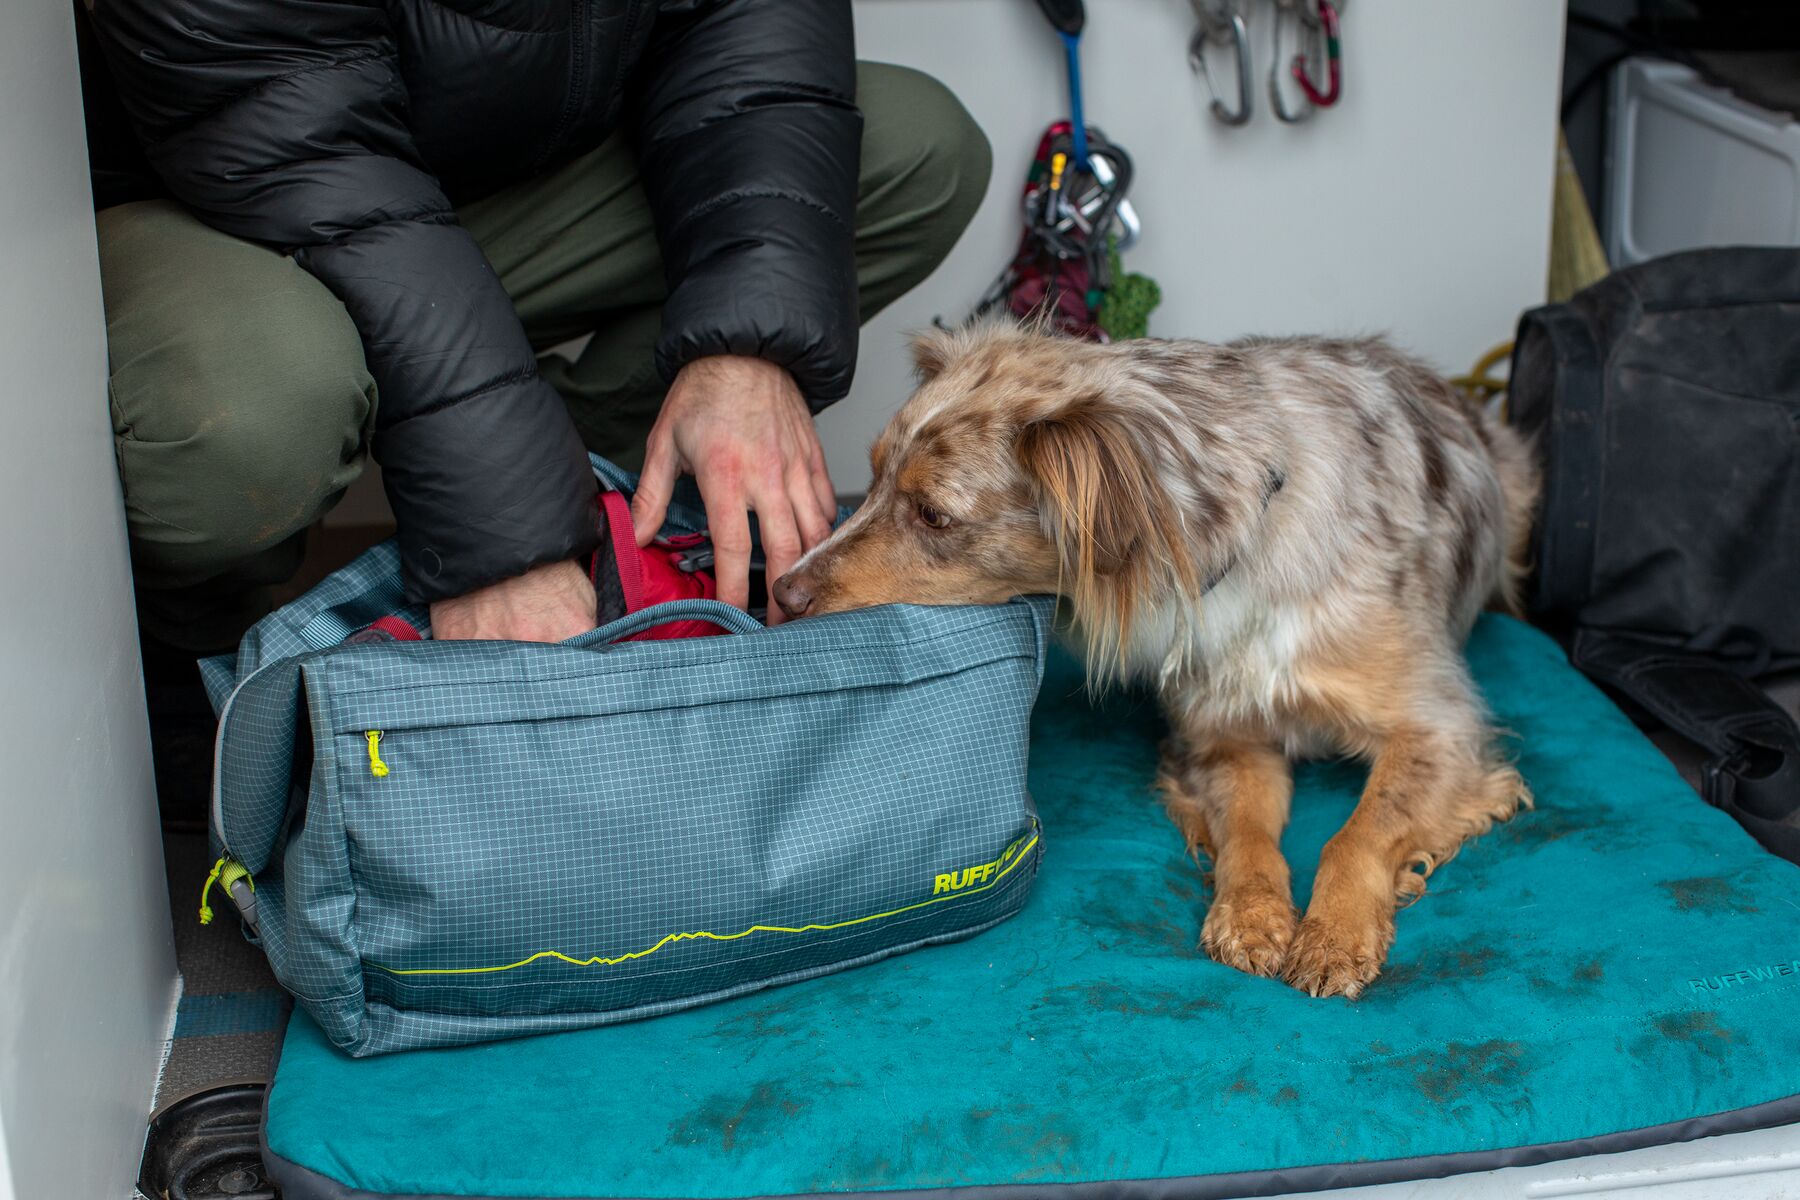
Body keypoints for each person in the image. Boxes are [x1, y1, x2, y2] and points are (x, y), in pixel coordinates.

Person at [79, 0, 991, 655]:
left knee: (912, 148)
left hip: (496, 189)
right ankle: (197, 649)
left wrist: (744, 348)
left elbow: (747, 38)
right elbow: (313, 161)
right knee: (247, 412)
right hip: (238, 205)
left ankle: (599, 518)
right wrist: (498, 527)